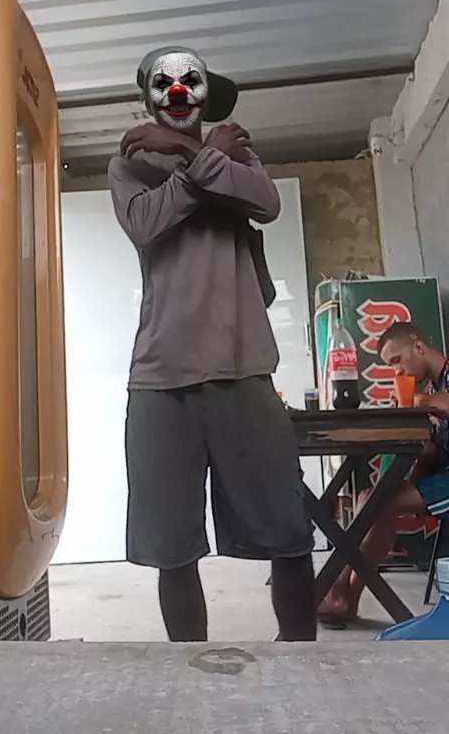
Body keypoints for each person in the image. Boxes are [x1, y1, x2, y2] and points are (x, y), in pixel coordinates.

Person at [108, 46, 316, 642]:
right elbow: (146, 223)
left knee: (288, 532)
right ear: (149, 97)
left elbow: (266, 203)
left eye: (190, 82)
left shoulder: (238, 155)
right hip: (160, 379)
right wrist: (199, 160)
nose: (178, 94)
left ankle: (304, 661)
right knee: (172, 546)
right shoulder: (129, 167)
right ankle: (190, 673)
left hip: (244, 369)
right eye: (164, 84)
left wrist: (190, 153)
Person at [318, 320, 449, 628]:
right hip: (441, 478)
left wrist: (418, 402)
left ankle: (340, 588)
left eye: (397, 360)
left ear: (418, 346)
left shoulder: (435, 389)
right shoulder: (433, 388)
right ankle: (345, 592)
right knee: (372, 497)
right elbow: (431, 453)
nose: (397, 372)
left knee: (381, 502)